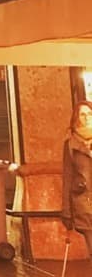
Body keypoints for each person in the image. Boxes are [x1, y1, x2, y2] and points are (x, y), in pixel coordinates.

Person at [62, 99, 92, 255]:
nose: (86, 117)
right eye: (82, 114)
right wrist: (66, 210)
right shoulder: (70, 145)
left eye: (89, 113)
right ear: (76, 118)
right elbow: (67, 177)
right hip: (84, 203)